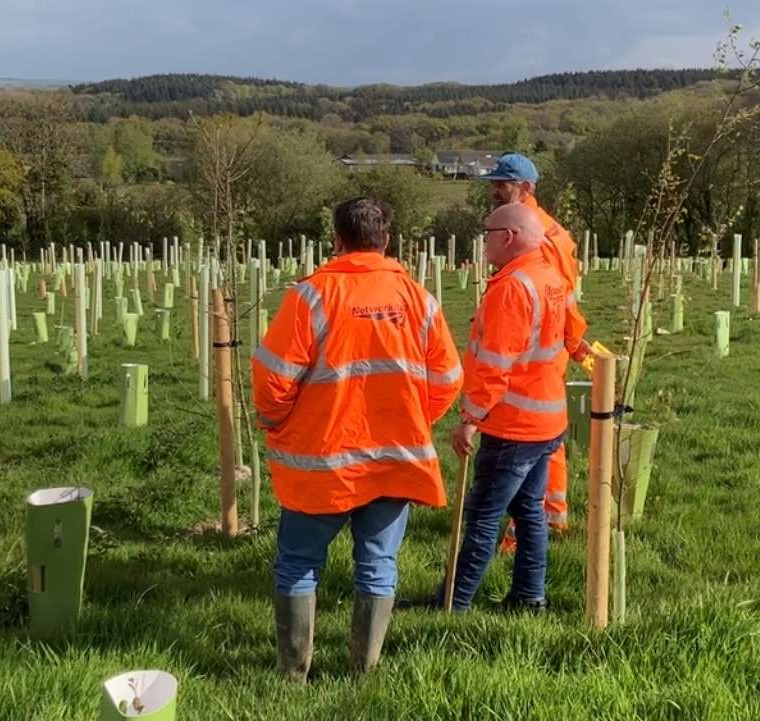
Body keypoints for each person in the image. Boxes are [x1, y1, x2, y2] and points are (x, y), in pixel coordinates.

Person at [252, 197, 462, 681]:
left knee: (299, 563)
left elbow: (272, 380)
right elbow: (449, 376)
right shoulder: (419, 300)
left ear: (337, 240)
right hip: (394, 460)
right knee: (378, 564)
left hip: (320, 463)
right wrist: (412, 419)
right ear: (386, 240)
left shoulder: (311, 296)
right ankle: (363, 673)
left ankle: (292, 676)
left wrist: (279, 422)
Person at [433, 203, 568, 612]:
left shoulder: (513, 287)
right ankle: (530, 597)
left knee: (483, 514)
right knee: (529, 510)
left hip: (513, 424)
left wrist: (470, 420)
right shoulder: (549, 276)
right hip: (547, 418)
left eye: (487, 232)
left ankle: (454, 602)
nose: (484, 241)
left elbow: (495, 365)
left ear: (507, 237)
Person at [482, 153, 591, 549]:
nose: (494, 190)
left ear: (525, 188)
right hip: (545, 342)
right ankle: (551, 515)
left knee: (524, 437)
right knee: (547, 436)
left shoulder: (535, 232)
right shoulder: (546, 227)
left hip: (534, 345)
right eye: (493, 182)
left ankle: (527, 523)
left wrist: (572, 340)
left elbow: (557, 293)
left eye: (502, 184)